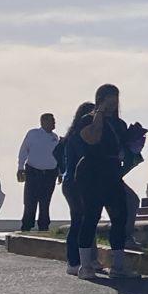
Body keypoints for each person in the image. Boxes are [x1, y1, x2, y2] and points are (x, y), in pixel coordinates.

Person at [74, 85, 132, 278]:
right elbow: (92, 138)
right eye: (109, 99)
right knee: (91, 216)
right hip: (91, 171)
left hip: (112, 172)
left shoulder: (119, 124)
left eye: (115, 99)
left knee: (119, 217)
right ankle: (85, 265)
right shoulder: (87, 120)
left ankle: (118, 265)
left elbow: (124, 148)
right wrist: (99, 114)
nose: (113, 103)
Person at [56, 103, 93, 275]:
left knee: (81, 219)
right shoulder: (79, 136)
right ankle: (73, 260)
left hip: (71, 181)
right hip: (76, 182)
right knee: (79, 220)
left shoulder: (70, 136)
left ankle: (79, 259)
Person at [15, 113, 60, 234]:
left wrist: (60, 172)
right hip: (33, 172)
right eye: (52, 120)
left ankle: (44, 227)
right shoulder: (33, 134)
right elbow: (24, 150)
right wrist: (20, 167)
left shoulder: (55, 138)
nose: (54, 123)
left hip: (50, 174)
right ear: (44, 121)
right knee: (30, 201)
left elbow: (58, 157)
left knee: (45, 202)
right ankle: (26, 226)